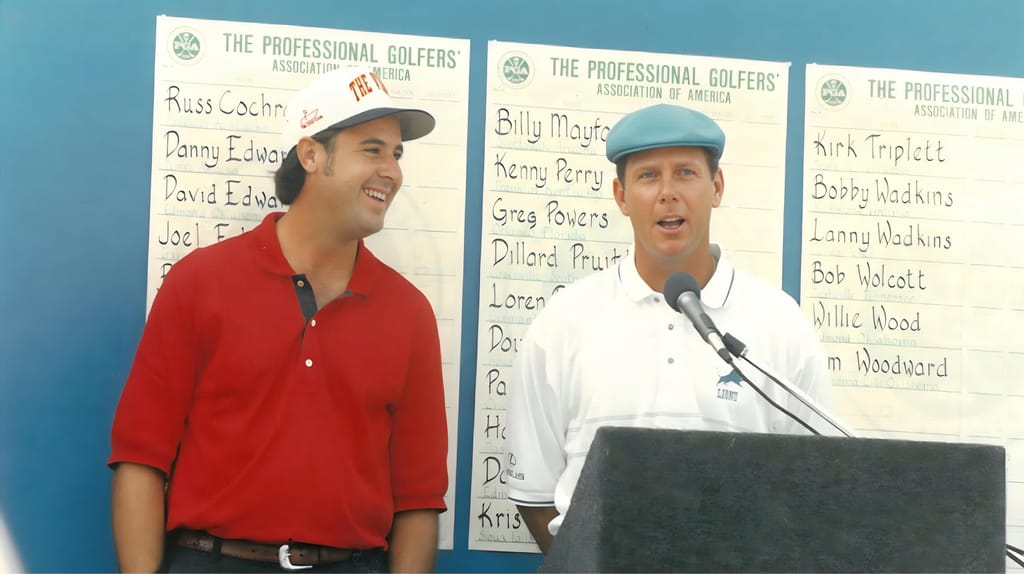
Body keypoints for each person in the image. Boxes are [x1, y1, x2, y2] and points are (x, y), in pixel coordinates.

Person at [109, 66, 448, 573]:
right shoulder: (199, 282)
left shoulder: (410, 313)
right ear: (311, 155)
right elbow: (141, 457)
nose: (392, 172)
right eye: (372, 149)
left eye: (396, 154)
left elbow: (418, 497)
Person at [503, 103, 834, 553]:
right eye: (647, 176)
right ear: (621, 196)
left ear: (716, 187)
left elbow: (816, 487)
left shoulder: (779, 322)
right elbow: (537, 494)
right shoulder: (563, 322)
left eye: (685, 173)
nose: (667, 193)